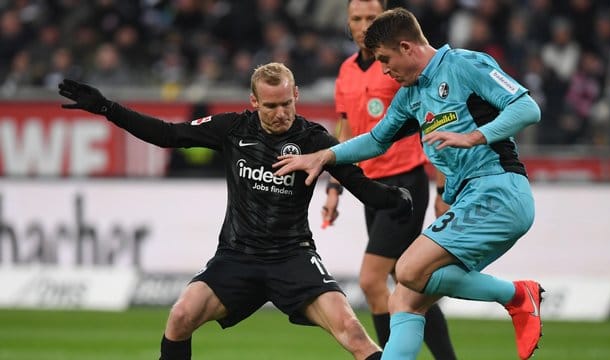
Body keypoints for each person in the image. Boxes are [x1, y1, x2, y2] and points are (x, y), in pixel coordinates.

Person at [58, 62, 416, 360]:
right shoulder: (232, 128)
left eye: (285, 104)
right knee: (181, 315)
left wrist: (393, 199)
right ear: (254, 101)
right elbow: (168, 135)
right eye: (270, 106)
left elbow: (357, 182)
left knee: (354, 333)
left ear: (296, 96)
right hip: (237, 256)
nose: (280, 114)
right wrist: (107, 108)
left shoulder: (314, 139)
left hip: (292, 256)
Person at [273, 8, 544, 360]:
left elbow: (527, 108)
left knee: (407, 268)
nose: (384, 70)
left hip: (498, 191)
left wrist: (476, 136)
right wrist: (325, 156)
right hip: (470, 199)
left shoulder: (464, 65)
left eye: (386, 60)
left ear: (407, 47)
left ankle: (518, 296)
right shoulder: (412, 95)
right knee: (404, 297)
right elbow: (376, 140)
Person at [322, 1, 456, 358]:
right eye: (357, 19)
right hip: (371, 189)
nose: (364, 25)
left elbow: (434, 123)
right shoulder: (346, 71)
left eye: (371, 18)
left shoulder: (398, 66)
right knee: (409, 285)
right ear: (347, 24)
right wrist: (334, 187)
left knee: (370, 280)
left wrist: (443, 186)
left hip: (405, 185)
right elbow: (346, 129)